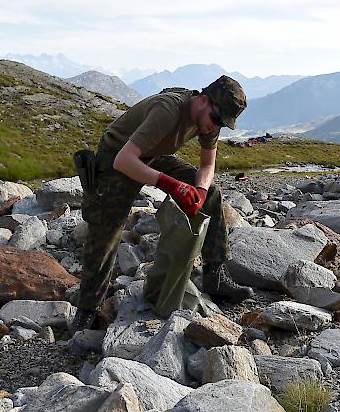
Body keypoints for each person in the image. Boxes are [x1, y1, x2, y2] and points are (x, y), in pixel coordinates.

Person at [71, 75, 254, 332]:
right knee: (106, 229)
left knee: (211, 194)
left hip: (153, 155)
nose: (215, 128)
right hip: (117, 156)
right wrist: (171, 184)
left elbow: (207, 165)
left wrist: (199, 192)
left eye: (222, 123)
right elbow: (124, 160)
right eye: (214, 119)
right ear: (202, 100)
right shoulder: (167, 110)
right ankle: (87, 307)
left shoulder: (211, 119)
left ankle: (215, 276)